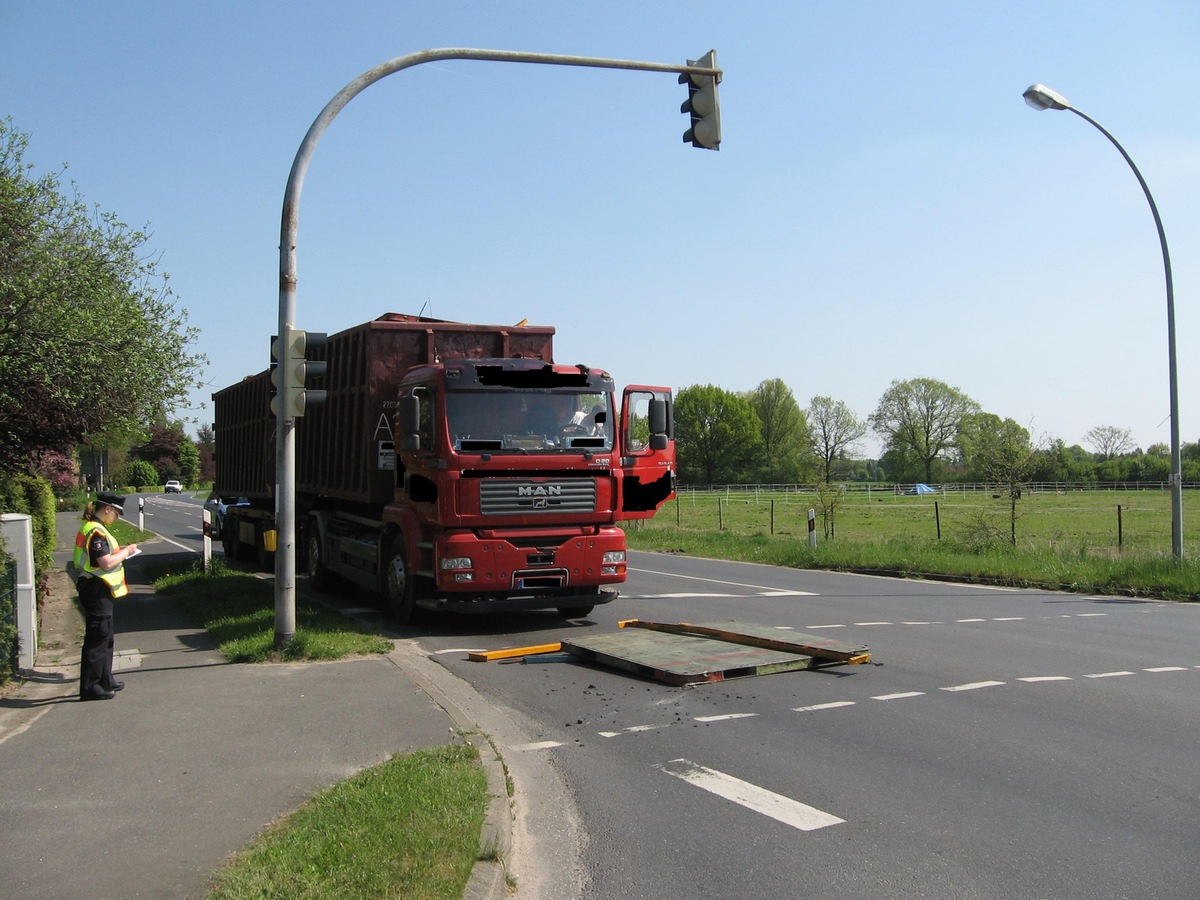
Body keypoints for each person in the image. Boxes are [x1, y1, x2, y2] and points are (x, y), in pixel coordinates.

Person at [74, 492, 137, 701]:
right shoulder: (96, 532)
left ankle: (104, 679)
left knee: (106, 636)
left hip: (100, 588)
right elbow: (106, 563)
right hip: (95, 588)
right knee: (97, 637)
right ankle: (90, 687)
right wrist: (127, 552)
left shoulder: (96, 528)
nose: (117, 517)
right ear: (107, 509)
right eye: (116, 513)